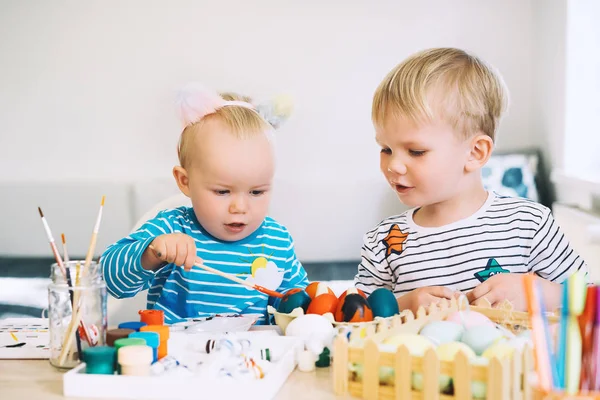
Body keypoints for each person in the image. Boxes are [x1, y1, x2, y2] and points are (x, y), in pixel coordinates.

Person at [354, 48, 587, 313]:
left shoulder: (529, 223)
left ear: (475, 153)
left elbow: (589, 298)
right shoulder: (383, 242)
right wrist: (400, 305)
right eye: (386, 149)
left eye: (416, 151)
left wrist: (537, 293)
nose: (393, 165)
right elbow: (355, 316)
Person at [101, 83, 308, 324]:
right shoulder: (172, 228)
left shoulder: (277, 241)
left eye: (256, 192)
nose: (239, 207)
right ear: (185, 181)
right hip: (178, 358)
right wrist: (152, 252)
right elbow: (110, 279)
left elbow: (300, 305)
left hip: (253, 359)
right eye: (222, 191)